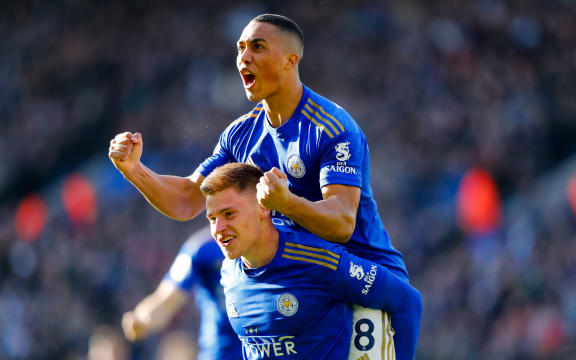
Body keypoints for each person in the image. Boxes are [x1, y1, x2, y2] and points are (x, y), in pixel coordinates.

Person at [109, 13, 420, 359]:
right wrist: (135, 171)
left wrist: (287, 204)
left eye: (258, 47)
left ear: (291, 60)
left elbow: (343, 222)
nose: (244, 57)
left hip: (360, 284)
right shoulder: (240, 134)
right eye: (241, 48)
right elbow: (186, 199)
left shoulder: (331, 128)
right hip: (296, 280)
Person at [200, 162, 421, 360]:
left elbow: (406, 300)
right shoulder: (229, 271)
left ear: (263, 208)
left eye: (229, 214)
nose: (218, 229)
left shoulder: (317, 259)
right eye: (212, 218)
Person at [121, 226, 242, 360]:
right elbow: (165, 299)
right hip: (223, 352)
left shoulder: (267, 243)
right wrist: (142, 319)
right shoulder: (200, 248)